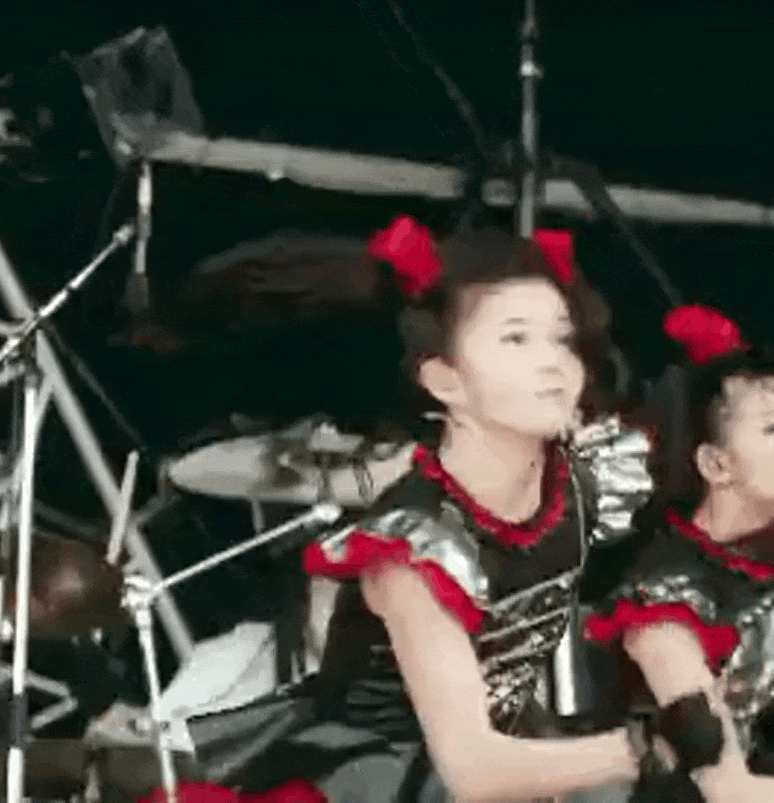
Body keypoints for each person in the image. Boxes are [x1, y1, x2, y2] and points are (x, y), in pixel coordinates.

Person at [165, 218, 664, 803]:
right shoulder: (414, 550)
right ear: (444, 380)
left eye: (562, 339)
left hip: (502, 749)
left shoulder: (576, 483)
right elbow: (473, 770)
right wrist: (646, 746)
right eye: (516, 340)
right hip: (386, 779)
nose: (555, 363)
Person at [582, 304, 774, 803]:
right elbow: (722, 784)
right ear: (716, 464)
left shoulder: (759, 561)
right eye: (773, 430)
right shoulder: (664, 596)